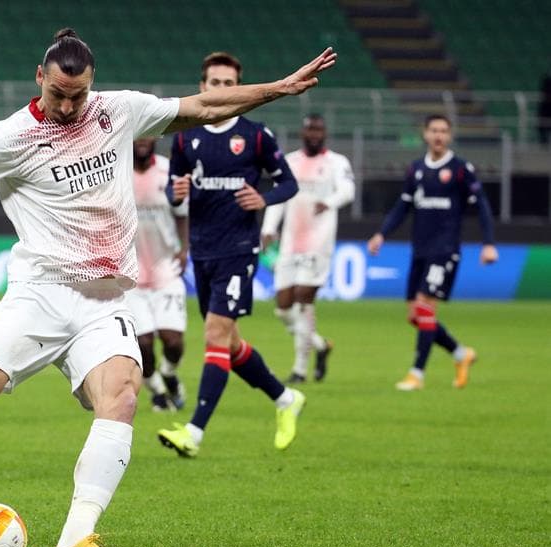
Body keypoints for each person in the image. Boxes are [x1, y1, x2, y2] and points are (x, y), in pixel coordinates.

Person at [0, 29, 336, 547]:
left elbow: (201, 105)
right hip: (40, 295)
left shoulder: (117, 113)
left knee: (122, 398)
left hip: (104, 302)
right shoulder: (7, 137)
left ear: (93, 85)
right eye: (58, 93)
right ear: (39, 77)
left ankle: (75, 540)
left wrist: (276, 88)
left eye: (78, 94)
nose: (67, 105)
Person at [157, 52, 305, 458]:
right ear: (202, 87)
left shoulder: (256, 135)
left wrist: (264, 198)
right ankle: (284, 398)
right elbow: (172, 188)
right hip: (203, 252)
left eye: (228, 84)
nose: (221, 90)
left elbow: (288, 184)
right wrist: (176, 194)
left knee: (214, 336)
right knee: (231, 344)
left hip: (239, 251)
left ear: (239, 88)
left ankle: (194, 432)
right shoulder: (186, 138)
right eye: (214, 83)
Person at [367, 114, 497, 391]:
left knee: (425, 307)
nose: (438, 135)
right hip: (420, 250)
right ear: (425, 134)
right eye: (434, 130)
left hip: (445, 250)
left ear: (449, 136)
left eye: (443, 131)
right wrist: (381, 234)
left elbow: (482, 205)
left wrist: (488, 243)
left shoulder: (461, 169)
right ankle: (461, 354)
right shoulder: (415, 170)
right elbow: (402, 207)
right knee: (415, 315)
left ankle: (417, 374)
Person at [261, 114, 355, 383]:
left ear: (324, 133)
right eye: (310, 129)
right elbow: (279, 199)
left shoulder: (337, 162)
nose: (314, 134)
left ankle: (300, 369)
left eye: (319, 130)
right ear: (302, 133)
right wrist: (268, 228)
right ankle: (320, 345)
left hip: (319, 242)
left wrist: (330, 201)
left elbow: (348, 190)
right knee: (282, 308)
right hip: (290, 242)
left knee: (303, 299)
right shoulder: (289, 161)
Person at [125, 137, 189, 412]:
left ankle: (170, 374)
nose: (143, 141)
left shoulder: (168, 171)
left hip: (166, 269)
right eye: (138, 135)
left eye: (148, 134)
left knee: (173, 341)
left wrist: (185, 248)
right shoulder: (116, 172)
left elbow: (182, 213)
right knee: (143, 345)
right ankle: (158, 391)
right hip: (131, 274)